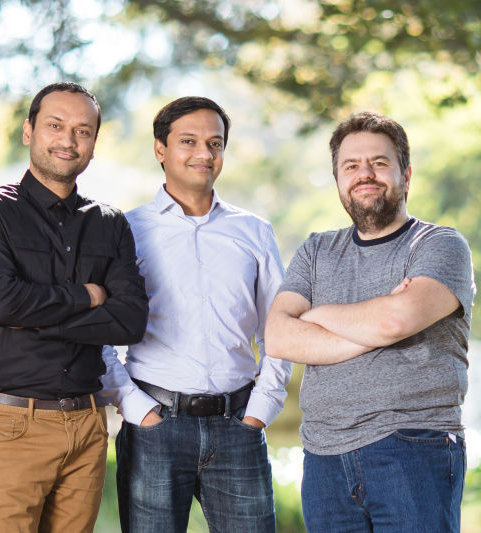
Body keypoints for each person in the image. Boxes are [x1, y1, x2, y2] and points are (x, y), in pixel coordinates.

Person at [265, 111, 475, 533]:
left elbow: (396, 320)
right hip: (324, 457)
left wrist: (318, 316)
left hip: (413, 446)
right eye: (351, 165)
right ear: (339, 179)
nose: (365, 174)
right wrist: (374, 325)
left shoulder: (440, 245)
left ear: (406, 174)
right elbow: (278, 336)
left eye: (379, 163)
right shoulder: (316, 251)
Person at [0, 82, 148, 533]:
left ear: (94, 145)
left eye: (83, 131)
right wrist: (86, 296)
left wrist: (36, 319)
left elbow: (130, 319)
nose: (68, 140)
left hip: (86, 425)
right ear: (29, 132)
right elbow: (1, 303)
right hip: (9, 424)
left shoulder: (110, 223)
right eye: (55, 126)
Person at [100, 96, 291, 532]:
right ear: (160, 149)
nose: (204, 154)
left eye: (215, 143)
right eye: (189, 141)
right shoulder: (125, 231)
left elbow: (279, 328)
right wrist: (135, 408)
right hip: (154, 428)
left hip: (239, 425)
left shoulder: (254, 232)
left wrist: (260, 409)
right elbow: (99, 334)